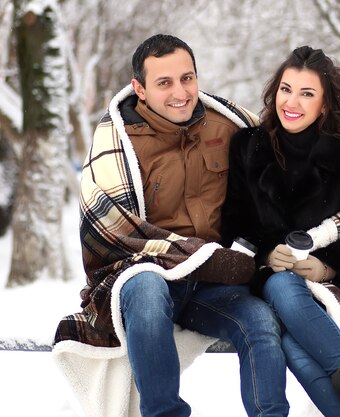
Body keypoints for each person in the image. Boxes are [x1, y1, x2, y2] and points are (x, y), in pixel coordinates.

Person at [53, 34, 289, 417]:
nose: (181, 92)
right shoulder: (117, 139)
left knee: (260, 322)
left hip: (214, 286)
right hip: (146, 276)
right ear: (139, 89)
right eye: (164, 83)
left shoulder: (228, 127)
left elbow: (275, 186)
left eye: (187, 78)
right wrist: (209, 258)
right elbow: (111, 229)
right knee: (146, 292)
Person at [221, 46, 340, 417]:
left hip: (335, 288)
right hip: (268, 282)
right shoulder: (248, 146)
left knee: (291, 341)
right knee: (283, 285)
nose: (292, 102)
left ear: (325, 103)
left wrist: (329, 268)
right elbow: (233, 223)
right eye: (286, 89)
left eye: (307, 93)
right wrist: (267, 253)